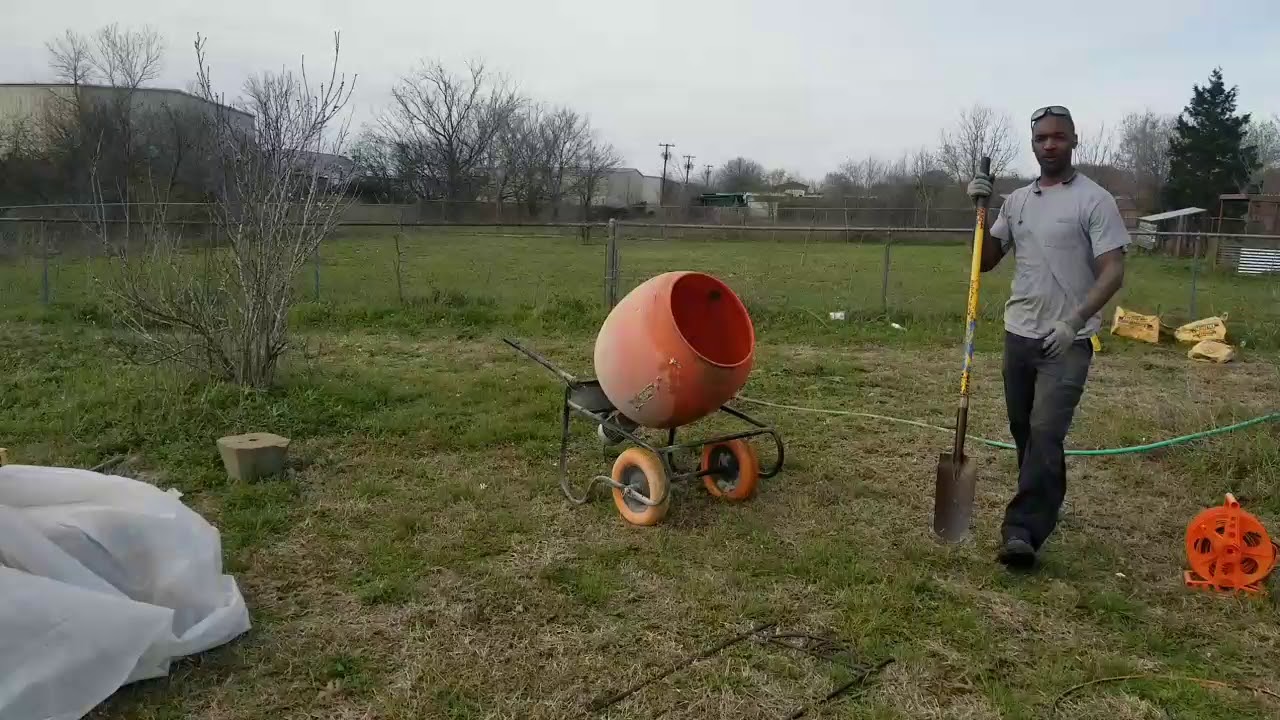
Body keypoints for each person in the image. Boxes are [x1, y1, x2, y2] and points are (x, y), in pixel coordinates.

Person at [966, 105, 1129, 569]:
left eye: (1058, 137)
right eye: (1041, 138)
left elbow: (1113, 269)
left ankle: (1022, 531)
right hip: (1020, 333)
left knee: (1044, 429)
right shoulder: (1017, 202)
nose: (1050, 145)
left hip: (1067, 341)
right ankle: (1043, 500)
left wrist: (1075, 320)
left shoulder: (1094, 200)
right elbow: (984, 260)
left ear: (1074, 140)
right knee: (1025, 431)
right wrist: (977, 210)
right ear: (1033, 144)